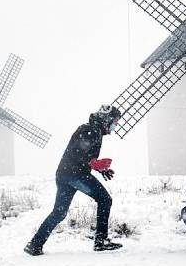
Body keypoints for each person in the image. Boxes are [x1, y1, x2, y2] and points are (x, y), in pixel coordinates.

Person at [25, 105, 124, 255]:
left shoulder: (92, 130)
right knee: (105, 200)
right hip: (75, 175)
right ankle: (101, 241)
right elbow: (78, 153)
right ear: (107, 119)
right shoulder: (91, 130)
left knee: (59, 213)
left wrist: (100, 168)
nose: (115, 125)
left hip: (64, 174)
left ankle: (35, 244)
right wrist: (94, 163)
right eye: (115, 121)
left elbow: (82, 155)